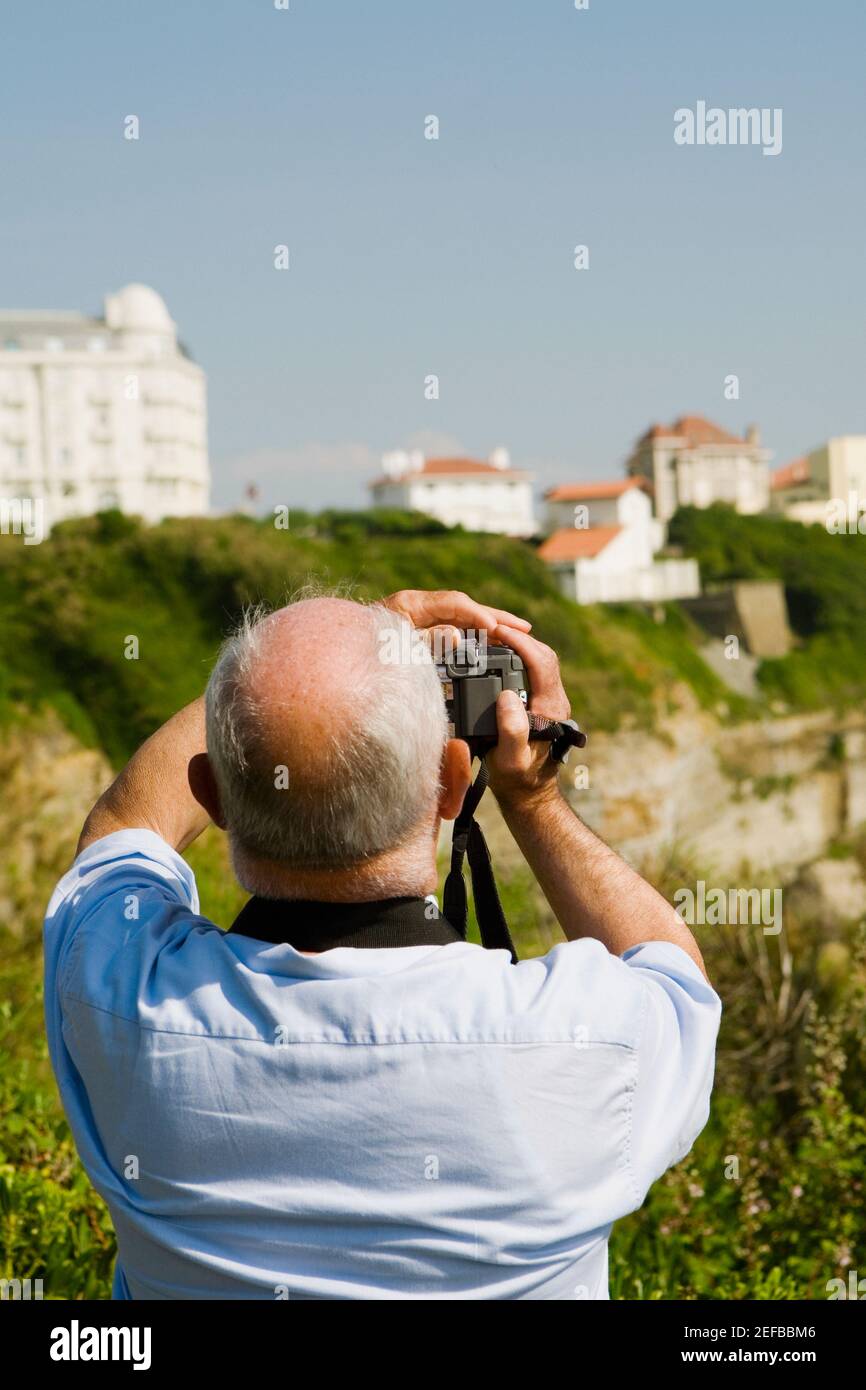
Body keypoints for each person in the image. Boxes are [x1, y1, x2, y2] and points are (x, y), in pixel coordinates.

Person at [44, 587, 721, 1300]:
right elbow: (670, 966)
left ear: (212, 794)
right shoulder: (581, 1045)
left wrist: (363, 633)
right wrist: (533, 798)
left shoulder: (120, 997)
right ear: (454, 784)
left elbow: (126, 822)